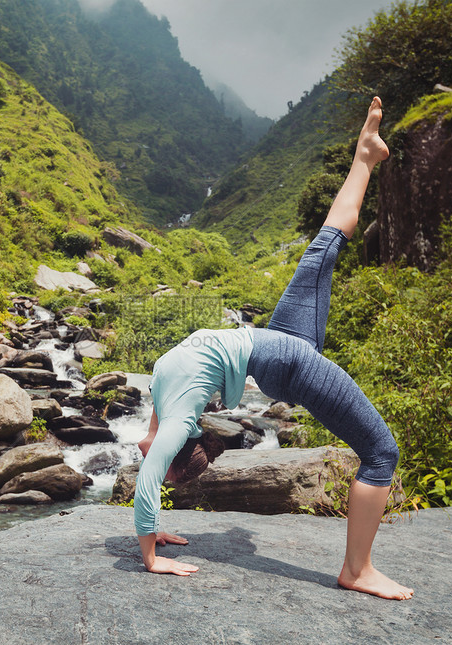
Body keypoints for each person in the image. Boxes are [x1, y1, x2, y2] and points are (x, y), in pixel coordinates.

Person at [134, 97, 414, 601]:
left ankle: (364, 156)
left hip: (281, 343)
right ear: (176, 446)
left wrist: (151, 546)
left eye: (151, 454)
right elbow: (152, 474)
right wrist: (152, 551)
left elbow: (150, 476)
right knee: (381, 451)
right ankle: (357, 569)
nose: (140, 451)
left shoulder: (163, 398)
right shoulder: (174, 414)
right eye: (154, 454)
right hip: (281, 360)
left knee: (324, 246)